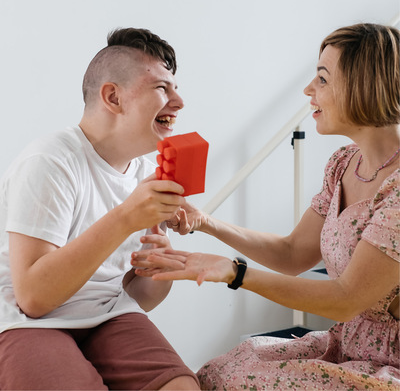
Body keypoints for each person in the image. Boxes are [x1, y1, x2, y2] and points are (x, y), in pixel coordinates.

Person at [131, 23, 400, 390]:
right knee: (226, 367)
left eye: (322, 79)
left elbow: (345, 300)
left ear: (363, 84)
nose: (308, 89)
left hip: (389, 363)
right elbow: (292, 253)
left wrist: (234, 272)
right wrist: (204, 222)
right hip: (348, 345)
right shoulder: (343, 164)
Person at [0, 27, 201, 390]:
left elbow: (138, 297)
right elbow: (33, 299)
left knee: (181, 386)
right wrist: (126, 217)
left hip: (107, 315)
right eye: (162, 88)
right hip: (27, 320)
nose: (179, 101)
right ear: (113, 97)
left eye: (176, 88)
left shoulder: (144, 173)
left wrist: (157, 272)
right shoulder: (50, 162)